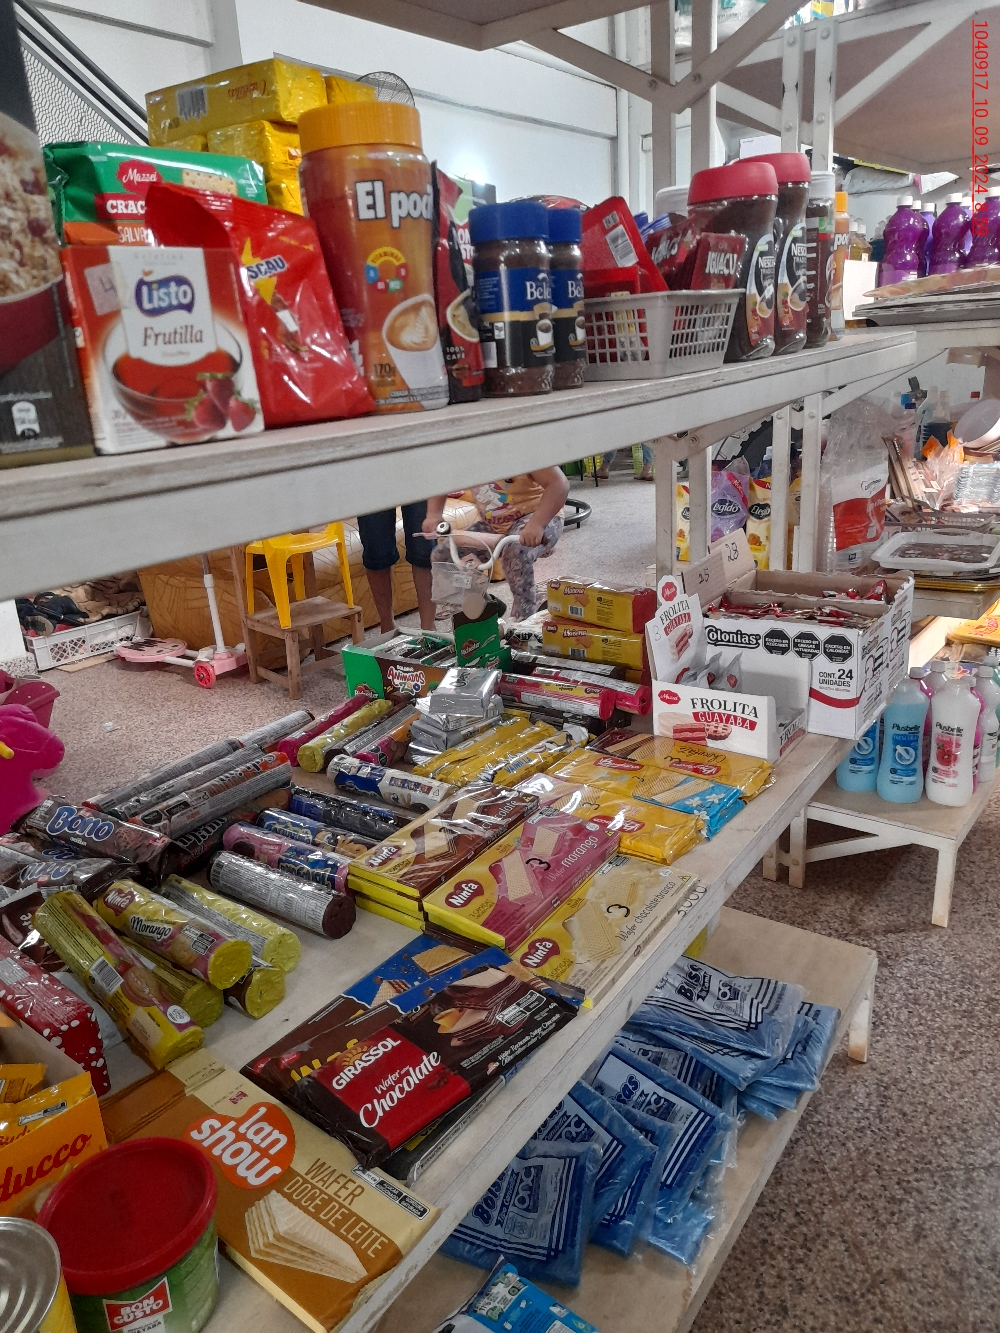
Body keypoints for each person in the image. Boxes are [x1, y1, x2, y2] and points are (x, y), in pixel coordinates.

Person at [423, 469, 570, 622]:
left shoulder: (522, 456)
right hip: (496, 526)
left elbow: (559, 484)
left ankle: (525, 619)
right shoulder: (465, 460)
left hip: (540, 519)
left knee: (515, 551)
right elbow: (443, 477)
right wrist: (434, 514)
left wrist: (537, 524)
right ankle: (486, 609)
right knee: (443, 556)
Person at [357, 504, 435, 633]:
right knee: (377, 552)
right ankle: (387, 628)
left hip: (417, 489)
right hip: (369, 491)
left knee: (424, 549)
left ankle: (429, 630)